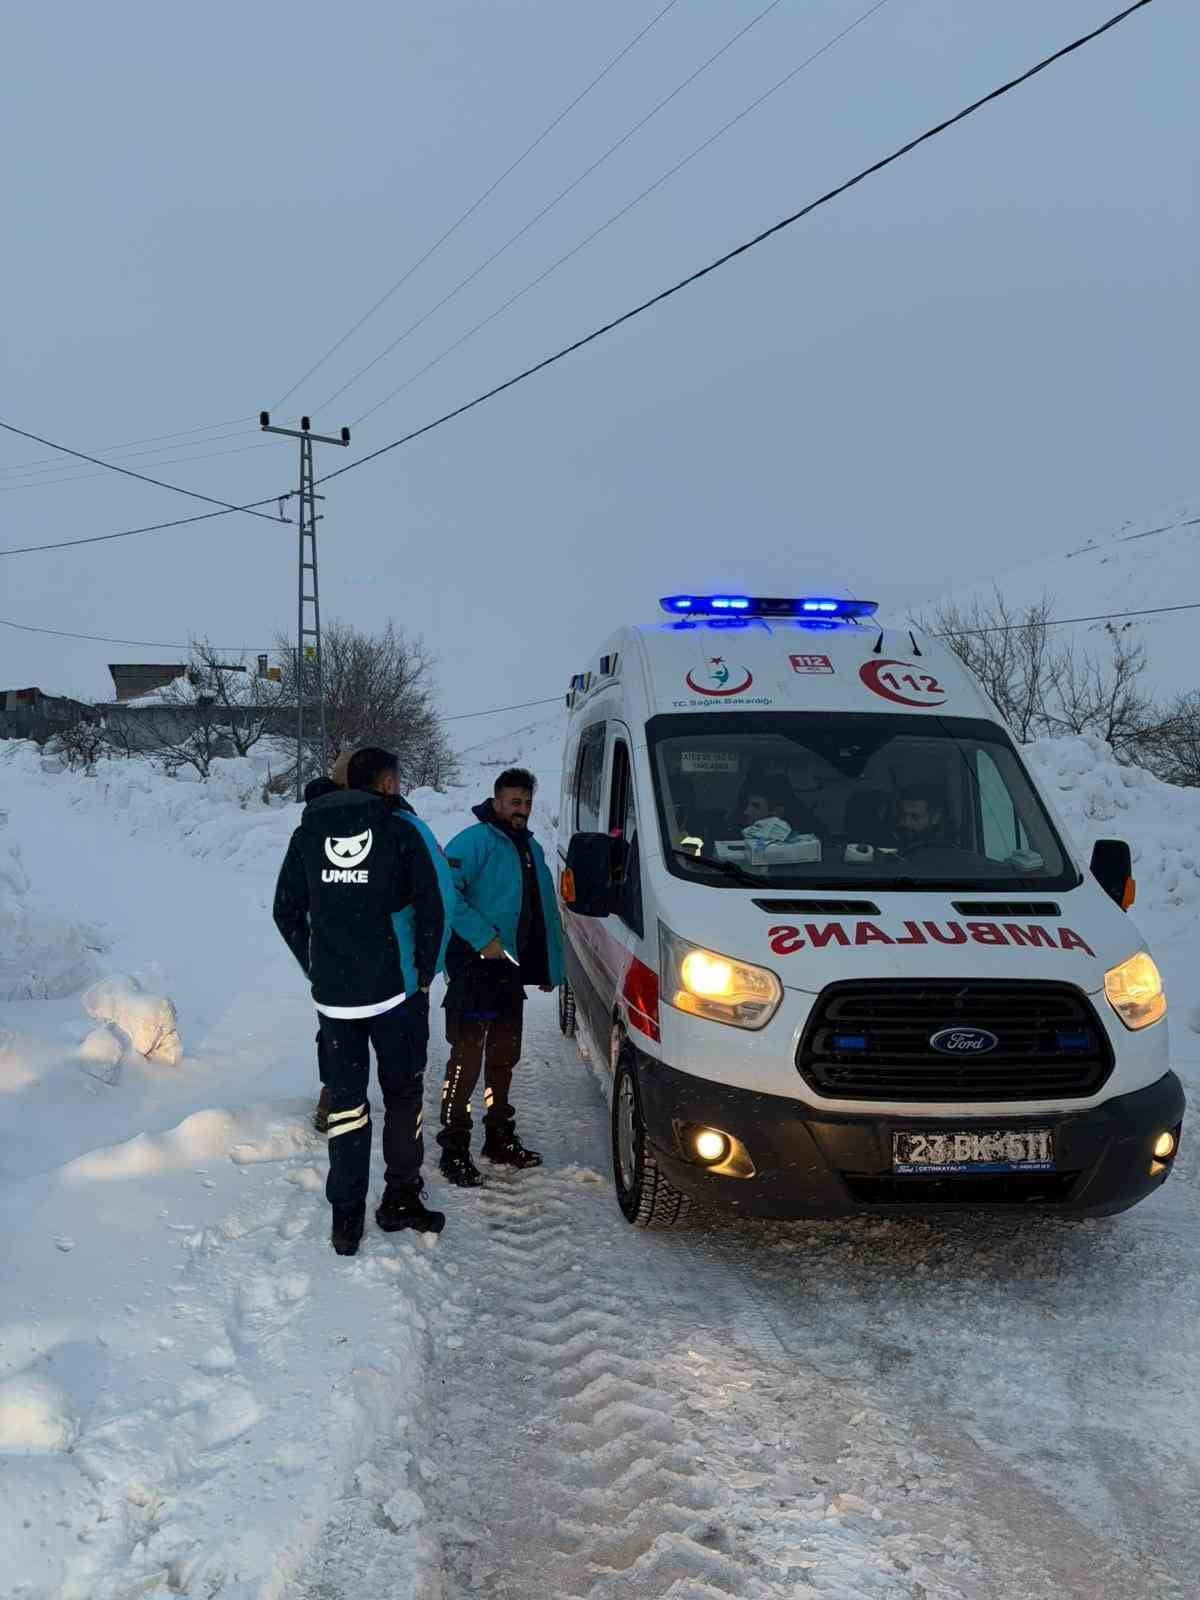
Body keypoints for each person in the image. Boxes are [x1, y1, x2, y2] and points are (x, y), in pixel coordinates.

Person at [273, 747, 456, 1255]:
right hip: (394, 995)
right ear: (387, 784)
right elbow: (434, 905)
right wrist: (421, 973)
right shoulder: (399, 829)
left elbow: (285, 910)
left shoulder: (308, 831)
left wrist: (318, 967)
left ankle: (345, 1219)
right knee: (402, 1095)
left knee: (347, 1105)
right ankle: (399, 1197)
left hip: (335, 1002)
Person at [438, 768, 565, 1187]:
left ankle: (497, 1137)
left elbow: (541, 910)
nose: (521, 810)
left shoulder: (530, 847)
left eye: (526, 803)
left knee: (503, 1059)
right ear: (496, 802)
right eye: (514, 802)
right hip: (474, 969)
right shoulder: (475, 841)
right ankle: (453, 1146)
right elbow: (445, 892)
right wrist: (482, 937)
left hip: (508, 973)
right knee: (466, 1060)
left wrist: (547, 966)